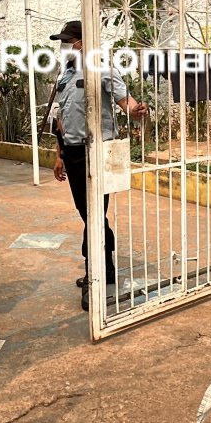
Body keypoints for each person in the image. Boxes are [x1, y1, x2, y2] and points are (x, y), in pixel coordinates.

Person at [50, 20, 148, 311]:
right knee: (88, 213)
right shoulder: (65, 73)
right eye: (63, 41)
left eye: (68, 40)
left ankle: (95, 274)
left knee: (94, 213)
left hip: (97, 152)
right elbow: (61, 117)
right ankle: (105, 266)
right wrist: (58, 154)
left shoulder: (103, 68)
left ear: (83, 42)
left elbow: (124, 100)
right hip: (72, 151)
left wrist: (136, 109)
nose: (64, 46)